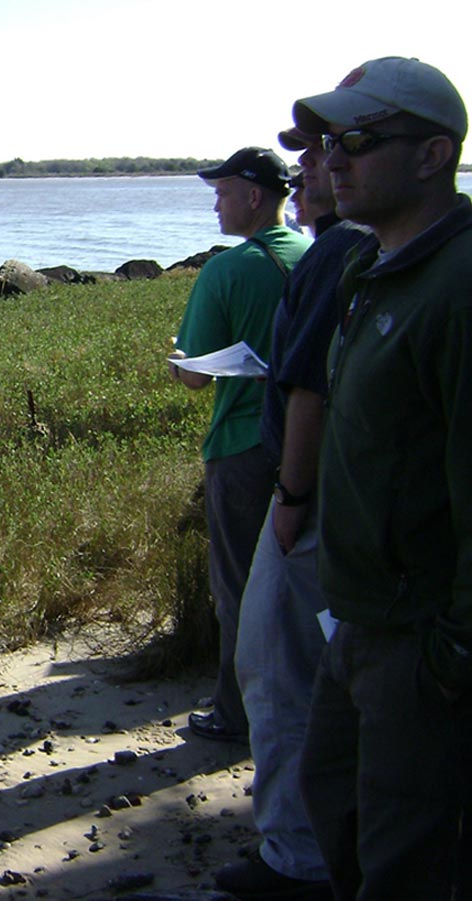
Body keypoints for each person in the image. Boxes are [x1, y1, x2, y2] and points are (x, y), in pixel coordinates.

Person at [290, 56, 471, 900]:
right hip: (355, 617)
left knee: (408, 854)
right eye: (331, 142)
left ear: (434, 156)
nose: (334, 160)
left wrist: (453, 651)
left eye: (358, 140)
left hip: (420, 636)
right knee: (334, 800)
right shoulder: (368, 269)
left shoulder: (461, 284)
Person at [218, 126, 367, 900]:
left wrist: (293, 495)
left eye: (336, 148)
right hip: (338, 498)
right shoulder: (344, 253)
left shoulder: (336, 253)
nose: (315, 166)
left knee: (276, 668)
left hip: (306, 499)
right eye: (311, 154)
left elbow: (307, 385)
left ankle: (296, 858)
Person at [169, 147, 311, 743]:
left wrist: (177, 358)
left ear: (255, 196)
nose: (216, 206)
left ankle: (235, 711)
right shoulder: (319, 254)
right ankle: (307, 697)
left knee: (237, 584)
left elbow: (198, 374)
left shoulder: (225, 271)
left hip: (242, 445)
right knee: (305, 581)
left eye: (224, 193)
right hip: (315, 444)